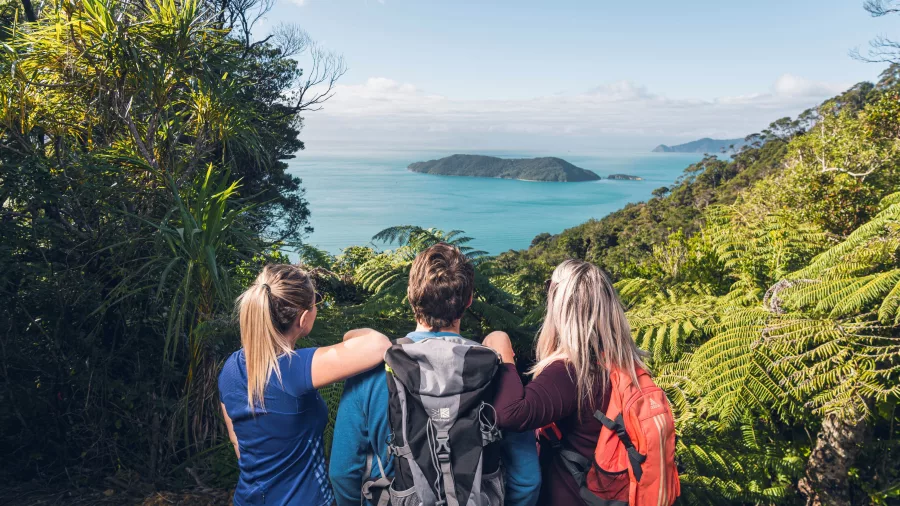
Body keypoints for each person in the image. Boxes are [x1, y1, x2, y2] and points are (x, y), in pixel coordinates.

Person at [329, 243, 541, 506]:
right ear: (469, 301)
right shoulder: (496, 373)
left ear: (410, 295)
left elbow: (342, 472)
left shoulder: (371, 373)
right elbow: (527, 479)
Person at [218, 263, 392, 506]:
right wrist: (348, 336)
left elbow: (238, 442)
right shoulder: (293, 369)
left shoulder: (230, 368)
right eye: (315, 303)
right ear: (303, 318)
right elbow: (379, 346)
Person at [481, 259, 648, 505]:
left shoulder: (572, 372)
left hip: (574, 495)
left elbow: (510, 414)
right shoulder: (622, 365)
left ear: (562, 306)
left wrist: (503, 350)